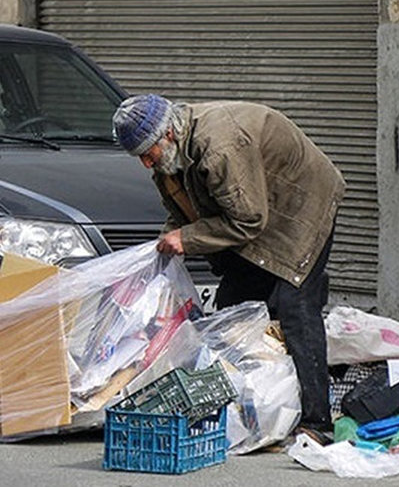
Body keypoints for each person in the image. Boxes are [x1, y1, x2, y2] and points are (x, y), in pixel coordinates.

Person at [112, 94, 344, 434]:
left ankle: (316, 421)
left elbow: (248, 220)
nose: (147, 164)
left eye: (149, 154)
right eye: (140, 158)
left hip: (300, 207)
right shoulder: (168, 163)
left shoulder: (219, 146)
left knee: (295, 306)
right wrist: (161, 248)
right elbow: (183, 215)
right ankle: (248, 410)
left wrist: (187, 239)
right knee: (232, 308)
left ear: (169, 135)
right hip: (254, 212)